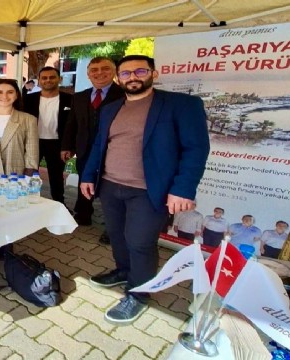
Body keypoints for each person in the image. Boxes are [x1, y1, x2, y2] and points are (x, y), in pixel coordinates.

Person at [80, 55, 210, 325]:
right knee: (117, 236)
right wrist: (87, 175)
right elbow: (98, 145)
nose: (133, 77)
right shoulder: (110, 108)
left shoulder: (181, 105)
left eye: (140, 71)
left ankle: (139, 294)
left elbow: (196, 149)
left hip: (149, 190)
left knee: (140, 242)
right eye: (126, 73)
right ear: (119, 78)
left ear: (154, 73)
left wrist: (183, 190)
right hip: (110, 185)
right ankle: (125, 271)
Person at [61, 56, 125, 227]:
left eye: (105, 68)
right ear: (88, 74)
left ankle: (112, 225)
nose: (99, 73)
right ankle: (83, 214)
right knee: (85, 180)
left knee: (111, 187)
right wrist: (67, 146)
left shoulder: (124, 95)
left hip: (114, 151)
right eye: (94, 70)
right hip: (84, 148)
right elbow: (71, 123)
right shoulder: (80, 97)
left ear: (114, 72)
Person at [23, 66, 72, 204]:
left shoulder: (70, 99)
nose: (48, 80)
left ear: (59, 79)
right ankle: (28, 203)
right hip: (33, 142)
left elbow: (73, 125)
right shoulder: (27, 99)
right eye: (44, 78)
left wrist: (69, 146)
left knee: (56, 177)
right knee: (29, 175)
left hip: (58, 144)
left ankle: (59, 205)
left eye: (52, 77)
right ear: (39, 80)